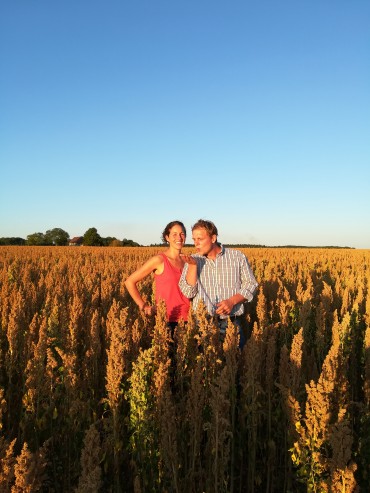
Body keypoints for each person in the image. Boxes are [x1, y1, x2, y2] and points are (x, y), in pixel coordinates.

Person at [179, 219, 258, 347]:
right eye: (194, 239)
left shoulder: (237, 257)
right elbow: (188, 292)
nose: (196, 244)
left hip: (231, 322)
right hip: (203, 324)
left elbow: (251, 284)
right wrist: (193, 266)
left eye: (200, 239)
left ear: (213, 238)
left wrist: (232, 301)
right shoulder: (193, 260)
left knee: (234, 361)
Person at [124, 221, 190, 332]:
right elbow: (129, 282)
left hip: (191, 319)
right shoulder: (159, 260)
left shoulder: (187, 261)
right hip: (168, 320)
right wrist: (144, 306)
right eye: (174, 234)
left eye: (182, 234)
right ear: (167, 237)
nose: (179, 237)